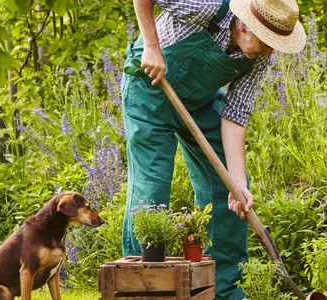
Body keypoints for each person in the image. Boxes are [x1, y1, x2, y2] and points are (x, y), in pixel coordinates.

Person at [120, 0, 305, 298]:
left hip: (198, 100)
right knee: (151, 190)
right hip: (149, 91)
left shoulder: (257, 57)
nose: (270, 53)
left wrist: (237, 181)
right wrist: (152, 47)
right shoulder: (205, 7)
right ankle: (140, 285)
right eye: (268, 43)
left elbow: (236, 114)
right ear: (245, 27)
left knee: (229, 189)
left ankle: (223, 288)